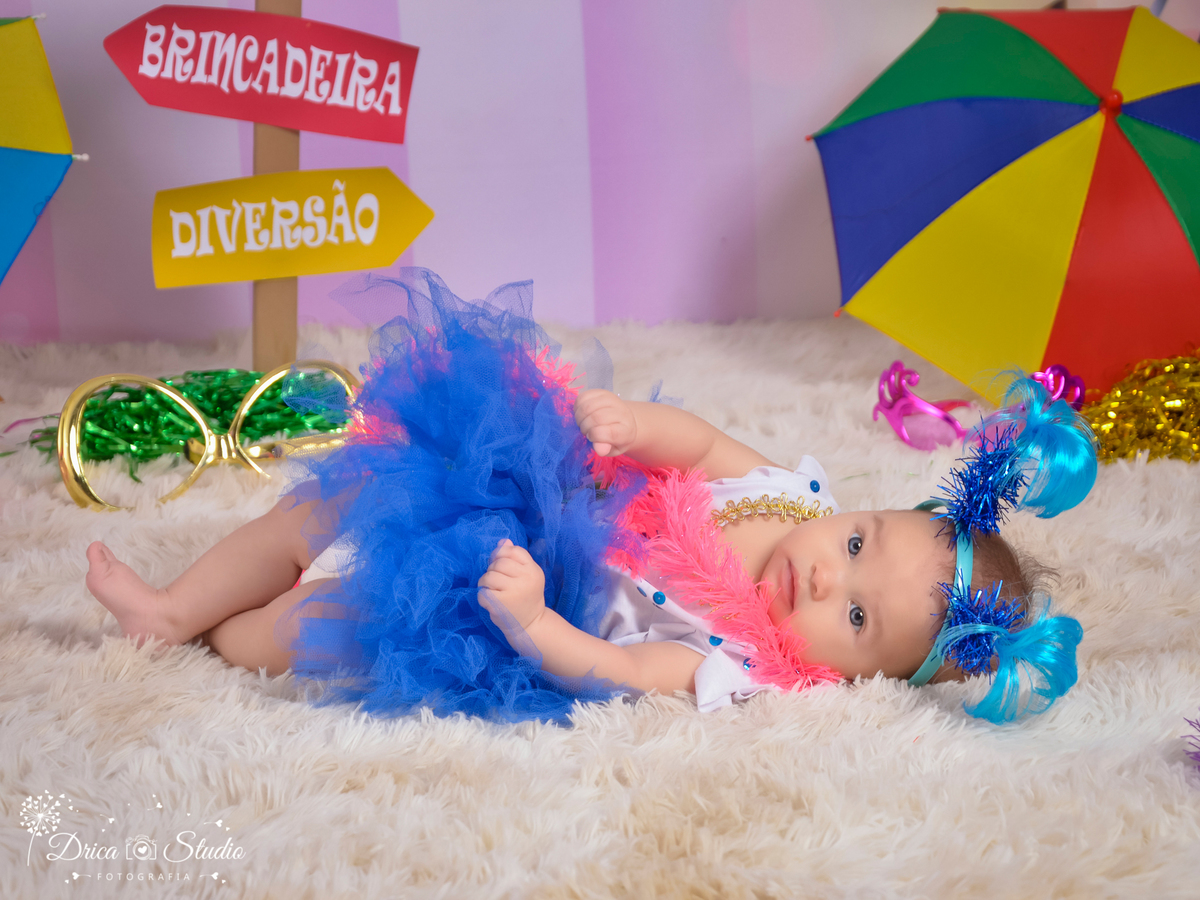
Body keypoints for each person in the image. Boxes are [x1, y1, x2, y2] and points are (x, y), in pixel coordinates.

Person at [84, 269, 1097, 725]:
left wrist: (528, 621)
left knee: (317, 622)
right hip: (541, 489)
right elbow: (697, 443)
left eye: (861, 618)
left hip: (513, 601)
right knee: (330, 509)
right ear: (864, 508)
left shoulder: (740, 666)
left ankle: (226, 637)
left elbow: (616, 664)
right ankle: (172, 610)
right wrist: (629, 427)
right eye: (865, 544)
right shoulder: (787, 495)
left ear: (859, 679)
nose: (832, 575)